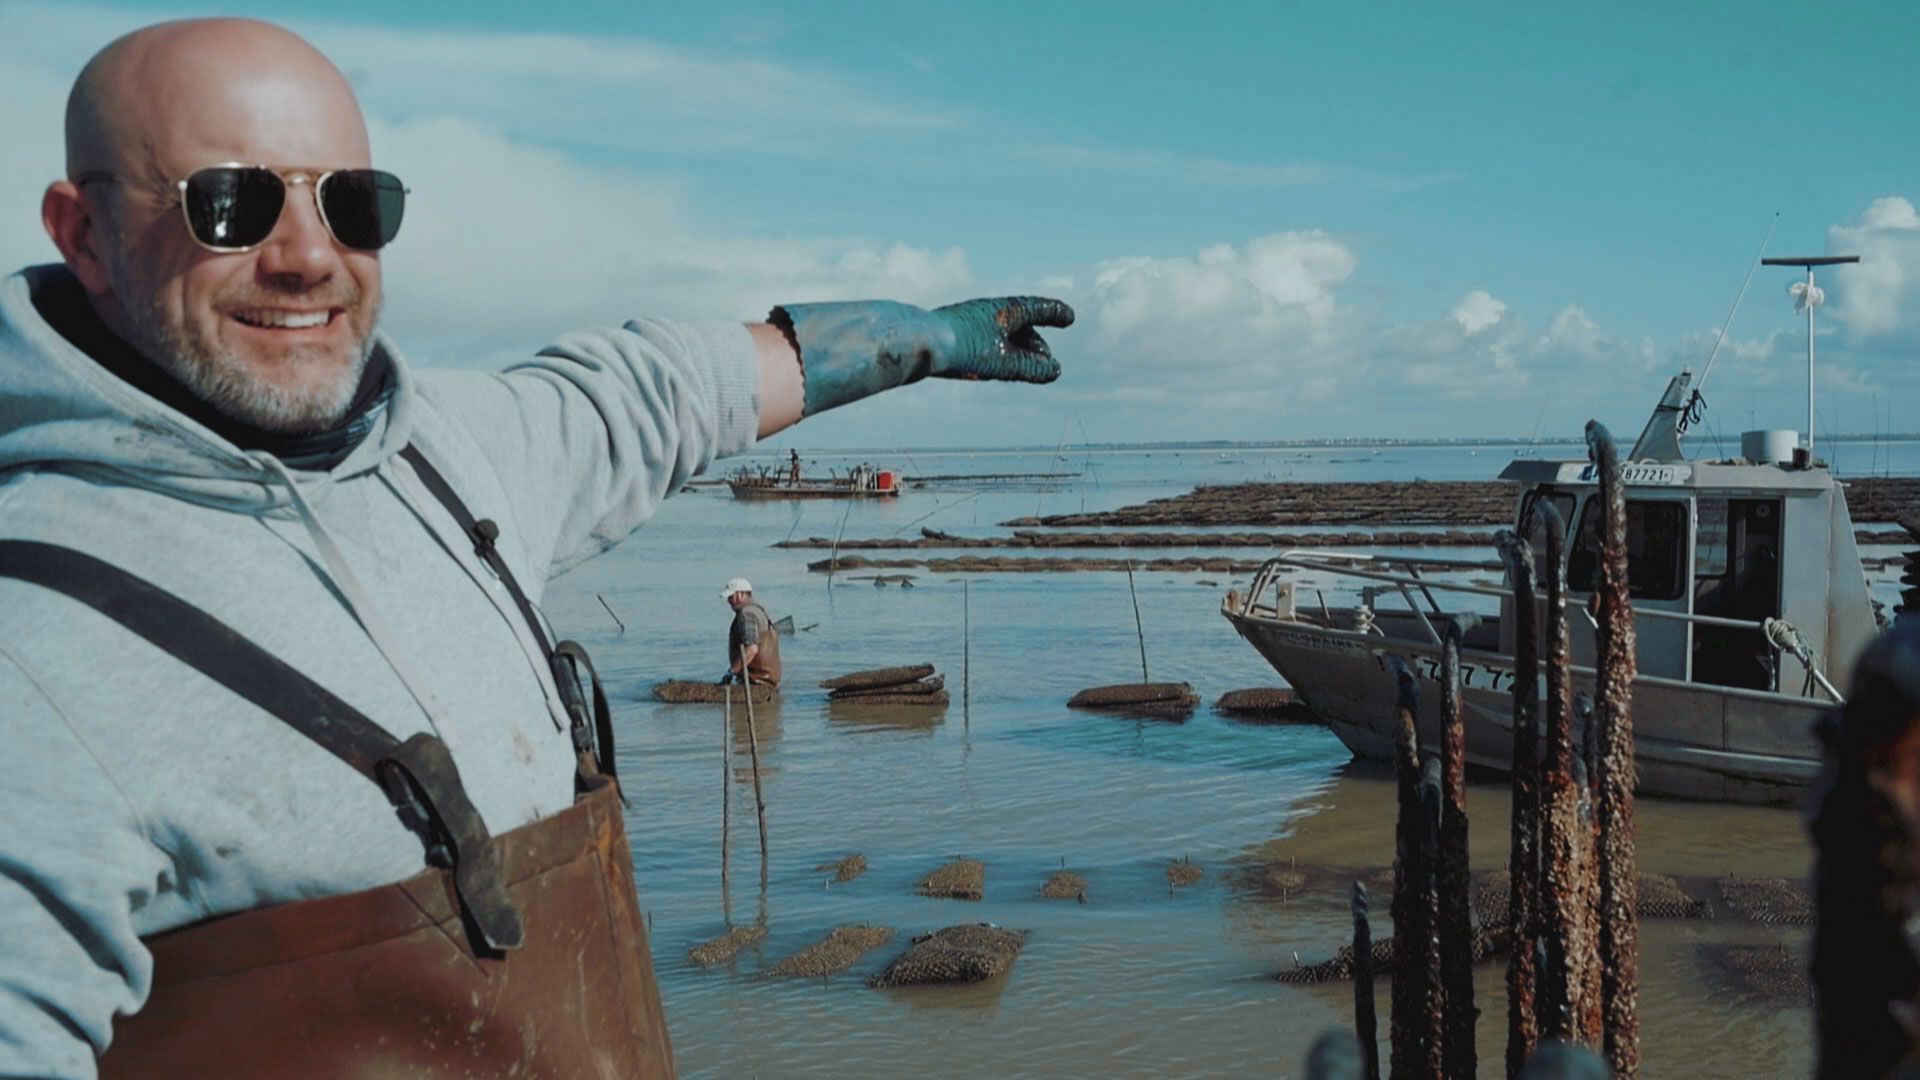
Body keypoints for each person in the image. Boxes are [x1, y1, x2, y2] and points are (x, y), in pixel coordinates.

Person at [0, 17, 1071, 1078]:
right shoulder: (36, 651)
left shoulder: (451, 453)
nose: (310, 257)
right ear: (81, 231)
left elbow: (661, 391)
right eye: (228, 205)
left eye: (353, 205)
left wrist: (916, 340)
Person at [719, 577, 781, 687]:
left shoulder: (747, 614)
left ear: (740, 594)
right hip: (770, 682)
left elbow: (752, 649)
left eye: (730, 596)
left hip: (755, 682)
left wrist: (731, 672)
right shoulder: (758, 610)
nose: (728, 601)